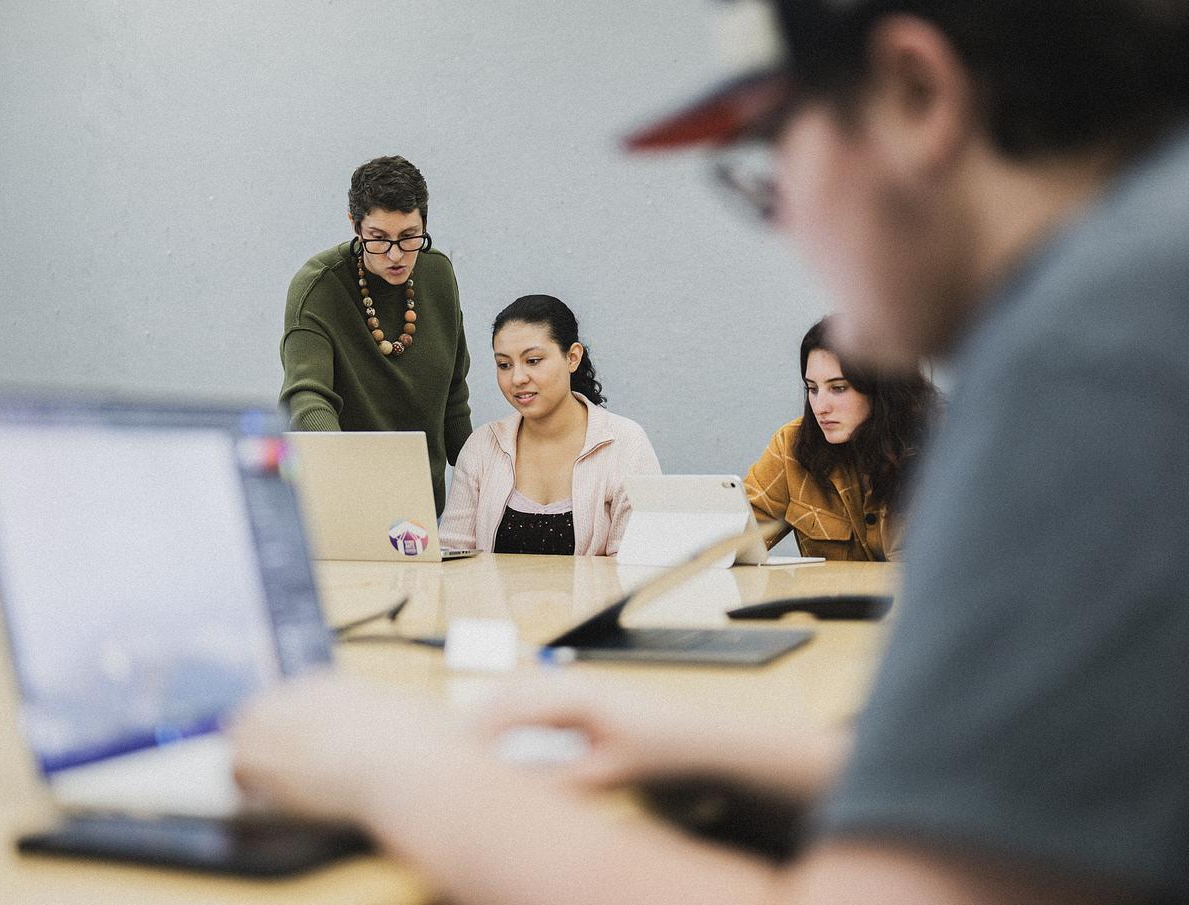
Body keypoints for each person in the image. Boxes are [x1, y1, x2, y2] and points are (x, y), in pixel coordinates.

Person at [233, 2, 1189, 903]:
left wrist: (400, 771)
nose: (790, 225)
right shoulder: (1144, 272)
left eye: (769, 161)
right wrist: (706, 741)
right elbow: (1052, 790)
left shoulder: (1097, 348)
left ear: (915, 97)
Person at [279, 155, 472, 515]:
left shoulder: (438, 275)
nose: (396, 254)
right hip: (347, 506)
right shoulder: (318, 288)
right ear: (354, 225)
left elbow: (454, 399)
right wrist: (350, 475)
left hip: (423, 513)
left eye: (410, 237)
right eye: (378, 239)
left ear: (425, 223)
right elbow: (306, 399)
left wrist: (488, 484)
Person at [439, 294, 660, 556]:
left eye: (533, 361)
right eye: (504, 365)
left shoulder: (625, 443)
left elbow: (638, 566)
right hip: (490, 599)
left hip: (599, 598)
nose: (518, 378)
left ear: (572, 357)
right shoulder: (483, 446)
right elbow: (451, 558)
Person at [745, 316, 936, 560]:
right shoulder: (791, 446)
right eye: (812, 389)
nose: (820, 407)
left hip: (912, 599)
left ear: (883, 388)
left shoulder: (945, 448)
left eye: (838, 388)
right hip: (829, 599)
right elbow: (733, 542)